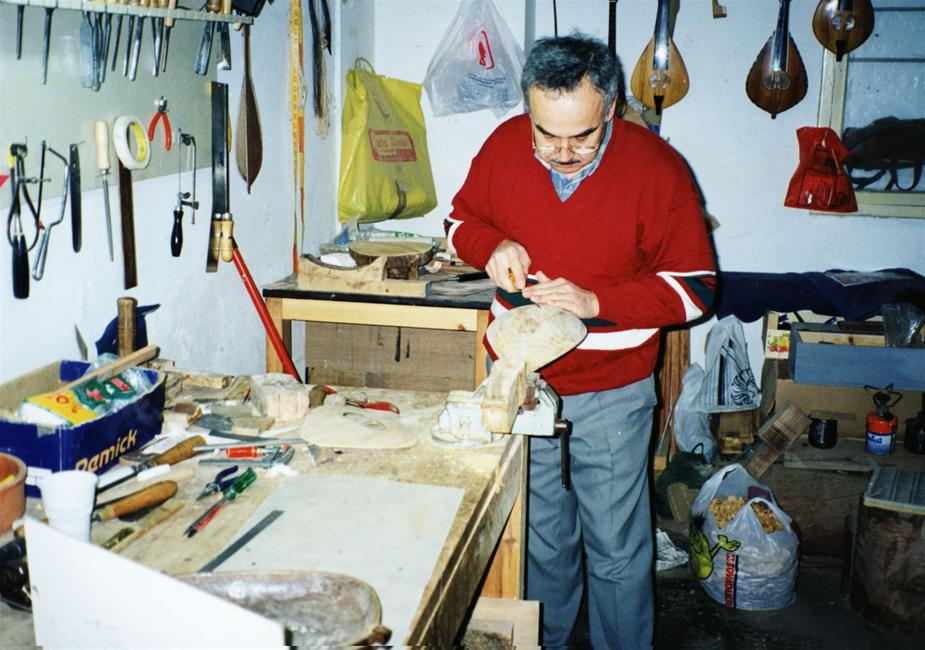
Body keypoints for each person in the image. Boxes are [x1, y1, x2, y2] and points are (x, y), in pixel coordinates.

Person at [445, 34, 716, 649]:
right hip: (521, 387)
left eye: (583, 137)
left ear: (612, 108)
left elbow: (697, 289)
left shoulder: (658, 169)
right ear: (529, 110)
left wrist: (599, 302)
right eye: (546, 135)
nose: (563, 153)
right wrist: (492, 245)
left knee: (617, 551)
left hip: (611, 392)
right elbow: (459, 221)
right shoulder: (504, 146)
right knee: (541, 542)